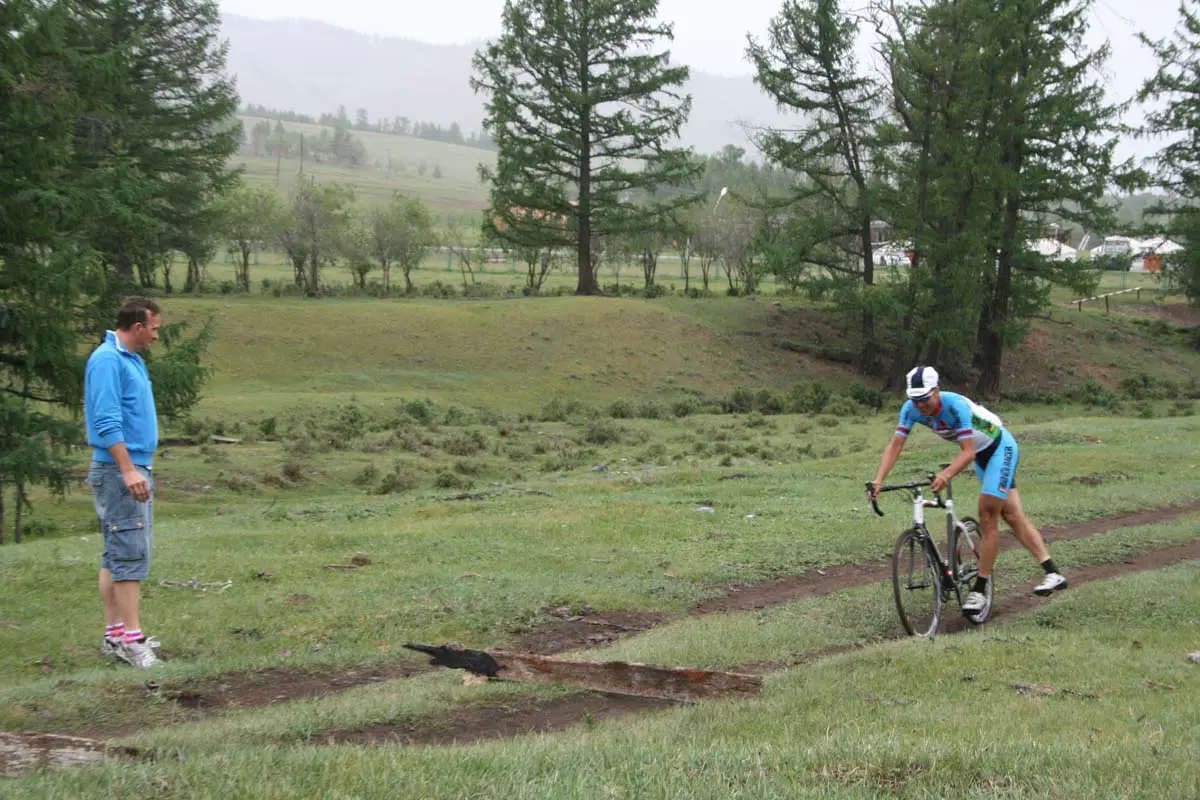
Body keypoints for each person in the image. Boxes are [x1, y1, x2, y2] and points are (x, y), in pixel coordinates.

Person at [869, 366, 1068, 617]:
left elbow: (968, 452)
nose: (920, 406)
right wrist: (878, 480)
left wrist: (945, 475)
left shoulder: (955, 406)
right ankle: (1053, 572)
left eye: (924, 399)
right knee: (1013, 515)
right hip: (983, 455)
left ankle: (980, 590)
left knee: (987, 514)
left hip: (999, 447)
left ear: (937, 391)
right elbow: (895, 446)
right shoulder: (910, 410)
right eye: (914, 400)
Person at [84, 297, 163, 668]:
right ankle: (133, 641)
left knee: (116, 551)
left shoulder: (130, 359)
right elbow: (105, 418)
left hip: (132, 466)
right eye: (154, 329)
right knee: (130, 552)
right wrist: (129, 469)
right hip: (121, 470)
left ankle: (115, 635)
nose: (155, 336)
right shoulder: (107, 360)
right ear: (137, 327)